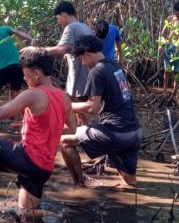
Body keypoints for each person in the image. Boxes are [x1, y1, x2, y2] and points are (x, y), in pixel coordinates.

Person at [0, 48, 77, 215]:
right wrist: (43, 129)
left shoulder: (33, 94)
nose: (24, 78)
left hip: (28, 160)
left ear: (37, 73)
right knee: (27, 218)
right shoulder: (64, 96)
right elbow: (72, 129)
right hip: (43, 169)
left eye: (25, 74)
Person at [61, 35, 142, 188]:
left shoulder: (97, 71)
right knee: (129, 181)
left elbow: (92, 107)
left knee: (65, 142)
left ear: (87, 54)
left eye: (82, 60)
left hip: (114, 134)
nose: (84, 64)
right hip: (134, 133)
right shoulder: (116, 66)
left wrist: (65, 106)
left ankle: (80, 186)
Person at [42, 1, 94, 100]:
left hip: (80, 79)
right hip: (89, 76)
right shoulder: (85, 26)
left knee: (80, 110)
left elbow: (61, 49)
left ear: (64, 14)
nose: (58, 21)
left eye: (58, 18)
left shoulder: (71, 27)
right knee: (86, 108)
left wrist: (37, 50)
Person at [158, 1, 179, 94]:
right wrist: (161, 45)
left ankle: (174, 93)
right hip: (169, 47)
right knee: (167, 70)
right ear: (174, 11)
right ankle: (164, 91)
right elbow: (163, 32)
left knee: (177, 72)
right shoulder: (170, 18)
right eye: (178, 12)